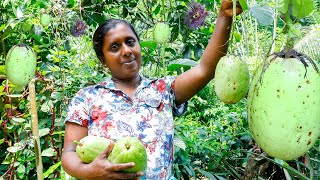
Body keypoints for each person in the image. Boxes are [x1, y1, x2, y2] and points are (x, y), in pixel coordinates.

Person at [61, 0, 242, 179]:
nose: (126, 51)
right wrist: (89, 172)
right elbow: (69, 153)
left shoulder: (163, 89)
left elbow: (205, 70)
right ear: (103, 59)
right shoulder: (87, 98)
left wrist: (224, 17)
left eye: (130, 42)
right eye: (114, 47)